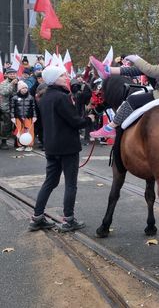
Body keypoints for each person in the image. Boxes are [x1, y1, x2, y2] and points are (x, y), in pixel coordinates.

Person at [90, 32, 159, 138]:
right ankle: (108, 70)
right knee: (142, 69)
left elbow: (153, 71)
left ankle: (110, 128)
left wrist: (136, 59)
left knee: (132, 100)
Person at [28, 66, 95, 232]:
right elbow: (75, 122)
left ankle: (37, 217)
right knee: (71, 184)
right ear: (54, 79)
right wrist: (89, 118)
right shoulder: (61, 97)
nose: (65, 76)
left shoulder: (44, 98)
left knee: (50, 182)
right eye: (62, 75)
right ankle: (68, 220)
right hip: (67, 147)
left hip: (51, 146)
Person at [10, 81, 36, 152]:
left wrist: (34, 116)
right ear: (19, 89)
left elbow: (33, 107)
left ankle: (29, 145)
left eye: (26, 88)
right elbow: (12, 108)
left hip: (28, 117)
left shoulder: (31, 97)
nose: (24, 89)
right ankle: (20, 145)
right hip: (18, 117)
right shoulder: (14, 98)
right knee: (19, 131)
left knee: (29, 131)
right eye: (23, 88)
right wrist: (12, 117)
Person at [0, 68, 18, 149]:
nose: (12, 75)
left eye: (14, 73)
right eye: (10, 74)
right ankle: (4, 141)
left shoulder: (19, 82)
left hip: (17, 107)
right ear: (7, 74)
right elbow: (4, 92)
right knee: (6, 125)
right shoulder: (3, 83)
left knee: (18, 125)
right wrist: (12, 84)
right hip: (6, 107)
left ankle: (17, 141)